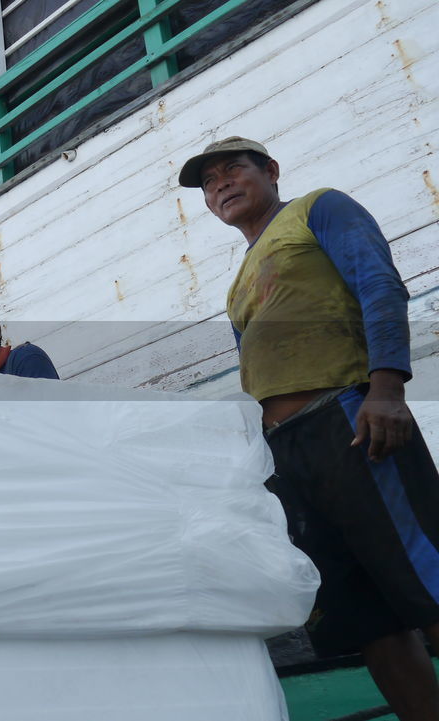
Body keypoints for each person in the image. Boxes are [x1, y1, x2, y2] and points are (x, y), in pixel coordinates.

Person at [181, 136, 439, 720]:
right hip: (290, 456)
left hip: (350, 420)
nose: (220, 184)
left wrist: (387, 388)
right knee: (366, 616)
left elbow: (379, 284)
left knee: (426, 579)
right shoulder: (238, 280)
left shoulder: (318, 208)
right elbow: (255, 371)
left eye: (232, 170)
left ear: (270, 171)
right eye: (208, 182)